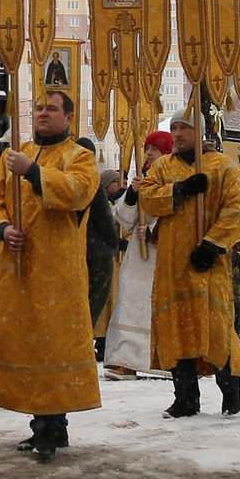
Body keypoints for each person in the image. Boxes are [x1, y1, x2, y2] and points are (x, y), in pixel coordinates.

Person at [0, 90, 101, 461]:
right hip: (18, 268)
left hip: (58, 272)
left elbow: (78, 192)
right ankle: (42, 424)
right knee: (29, 344)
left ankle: (53, 425)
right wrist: (2, 229)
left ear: (69, 117)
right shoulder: (18, 153)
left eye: (52, 108)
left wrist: (33, 173)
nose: (43, 113)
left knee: (53, 346)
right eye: (39, 108)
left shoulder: (78, 156)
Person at [136, 112, 240, 418]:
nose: (178, 133)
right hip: (172, 262)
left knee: (216, 325)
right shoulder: (163, 167)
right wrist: (180, 190)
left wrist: (213, 244)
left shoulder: (223, 166)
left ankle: (230, 387)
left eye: (184, 127)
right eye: (174, 128)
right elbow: (147, 198)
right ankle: (185, 397)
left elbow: (236, 209)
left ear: (199, 130)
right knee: (176, 327)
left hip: (208, 261)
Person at [101, 131, 171, 374]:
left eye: (155, 149)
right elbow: (123, 217)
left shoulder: (173, 179)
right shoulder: (142, 179)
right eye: (147, 148)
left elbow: (177, 213)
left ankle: (160, 359)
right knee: (130, 302)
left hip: (163, 253)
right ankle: (126, 360)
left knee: (157, 304)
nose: (149, 153)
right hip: (138, 256)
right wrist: (131, 194)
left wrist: (153, 231)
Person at [83, 149, 122, 358]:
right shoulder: (92, 187)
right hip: (100, 254)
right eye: (116, 182)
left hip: (91, 253)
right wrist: (116, 242)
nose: (120, 185)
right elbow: (106, 221)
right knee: (97, 303)